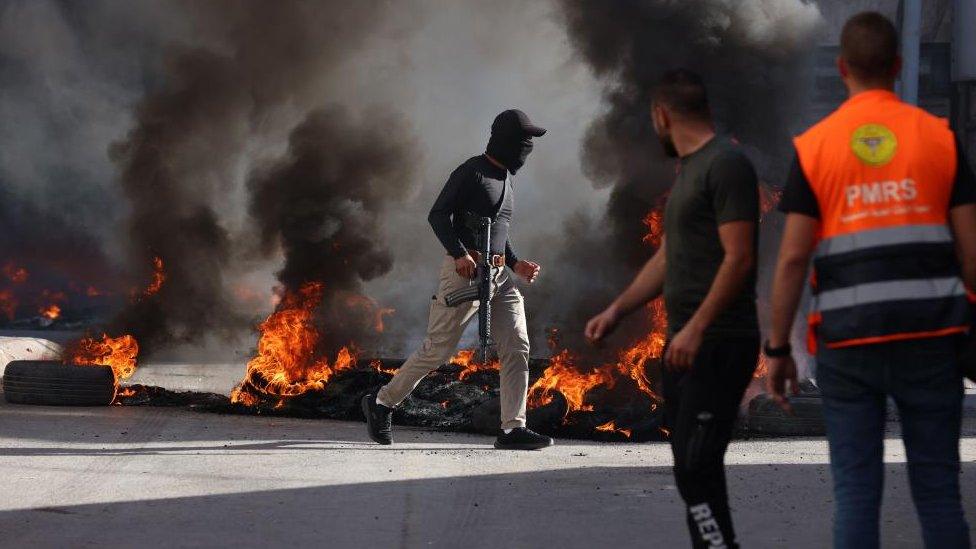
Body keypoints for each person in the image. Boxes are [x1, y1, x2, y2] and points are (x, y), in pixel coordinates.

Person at [766, 12, 975, 549]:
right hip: (931, 339)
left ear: (842, 69)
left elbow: (792, 261)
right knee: (938, 493)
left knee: (857, 494)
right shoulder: (941, 139)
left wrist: (777, 348)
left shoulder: (816, 146)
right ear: (899, 65)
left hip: (849, 339)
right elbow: (972, 255)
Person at [585, 69, 760, 549]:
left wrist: (697, 328)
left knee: (698, 465)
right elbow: (668, 256)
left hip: (718, 341)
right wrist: (618, 309)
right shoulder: (691, 172)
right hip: (688, 342)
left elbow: (739, 256)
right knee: (689, 466)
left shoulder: (726, 166)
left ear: (662, 115)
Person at [363, 109, 553, 451]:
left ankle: (512, 429)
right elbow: (438, 215)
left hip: (499, 278)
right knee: (437, 350)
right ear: (505, 140)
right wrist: (459, 254)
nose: (527, 147)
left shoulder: (507, 178)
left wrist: (514, 263)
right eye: (523, 140)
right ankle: (381, 402)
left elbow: (498, 230)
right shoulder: (471, 171)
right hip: (464, 273)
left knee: (517, 346)